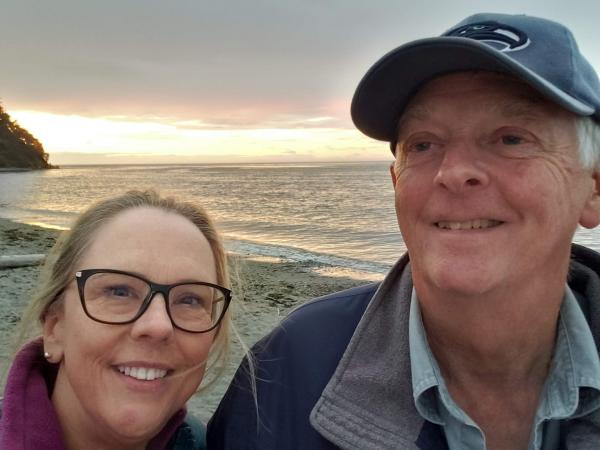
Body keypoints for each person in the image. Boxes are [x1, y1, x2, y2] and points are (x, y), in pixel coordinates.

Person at [207, 13, 600, 450]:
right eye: (424, 144)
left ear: (594, 187)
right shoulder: (290, 366)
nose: (454, 173)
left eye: (511, 139)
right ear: (397, 182)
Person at [0, 190, 233, 449]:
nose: (158, 325)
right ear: (55, 328)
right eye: (119, 291)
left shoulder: (203, 442)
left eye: (189, 300)